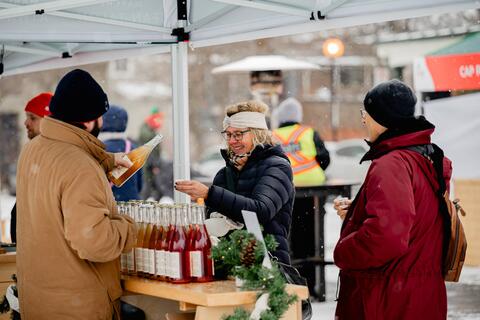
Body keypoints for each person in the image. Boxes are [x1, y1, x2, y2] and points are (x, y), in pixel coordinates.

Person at [16, 69, 137, 320]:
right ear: (90, 121)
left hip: (41, 301)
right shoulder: (80, 167)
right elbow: (95, 243)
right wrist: (129, 227)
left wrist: (105, 161)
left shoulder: (33, 150)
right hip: (78, 307)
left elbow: (62, 172)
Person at [333, 79, 449, 319]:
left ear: (381, 118)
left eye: (366, 113)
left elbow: (387, 236)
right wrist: (358, 213)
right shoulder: (421, 157)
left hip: (387, 300)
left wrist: (343, 251)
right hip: (417, 295)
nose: (363, 119)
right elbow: (414, 218)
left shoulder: (391, 164)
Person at [175, 100, 295, 264]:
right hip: (229, 263)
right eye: (229, 135)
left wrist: (209, 194)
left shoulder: (277, 167)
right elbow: (216, 216)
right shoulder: (224, 174)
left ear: (257, 133)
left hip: (266, 265)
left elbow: (261, 210)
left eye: (238, 134)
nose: (232, 141)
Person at [272, 97, 330, 300]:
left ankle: (290, 283)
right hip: (311, 191)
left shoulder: (273, 135)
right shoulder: (308, 132)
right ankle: (312, 285)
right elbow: (324, 158)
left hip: (283, 191)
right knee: (311, 236)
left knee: (286, 237)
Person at [10, 92, 53, 244]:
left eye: (33, 118)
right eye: (27, 117)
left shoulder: (56, 156)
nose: (26, 123)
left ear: (49, 120)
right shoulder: (32, 152)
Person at [100, 105, 143, 201]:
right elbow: (140, 185)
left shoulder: (98, 149)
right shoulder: (133, 148)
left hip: (108, 206)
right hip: (132, 205)